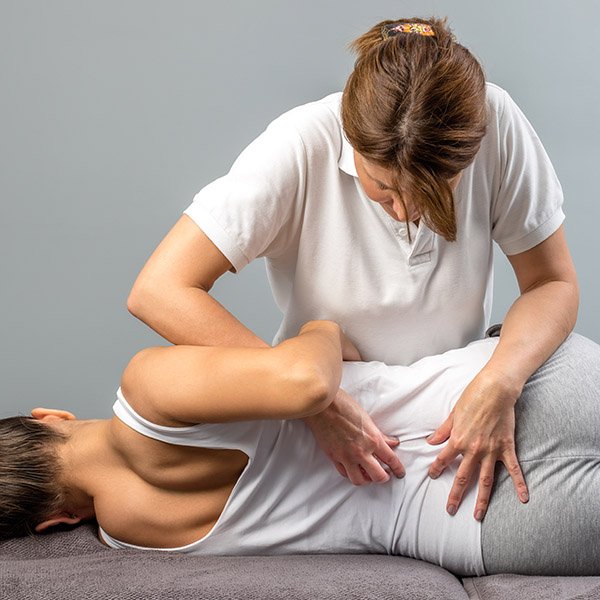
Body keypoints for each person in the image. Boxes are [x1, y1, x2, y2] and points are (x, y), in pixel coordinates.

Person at [126, 16, 579, 521]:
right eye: (383, 189)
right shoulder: (300, 144)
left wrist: (501, 381)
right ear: (351, 135)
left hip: (462, 403)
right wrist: (307, 400)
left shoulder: (497, 121)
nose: (406, 212)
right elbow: (159, 289)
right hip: (333, 417)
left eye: (434, 191)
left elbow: (551, 282)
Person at [1, 322, 598, 577]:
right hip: (502, 391)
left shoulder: (132, 534)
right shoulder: (145, 391)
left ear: (54, 520)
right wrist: (319, 328)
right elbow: (308, 384)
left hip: (480, 521)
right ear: (50, 417)